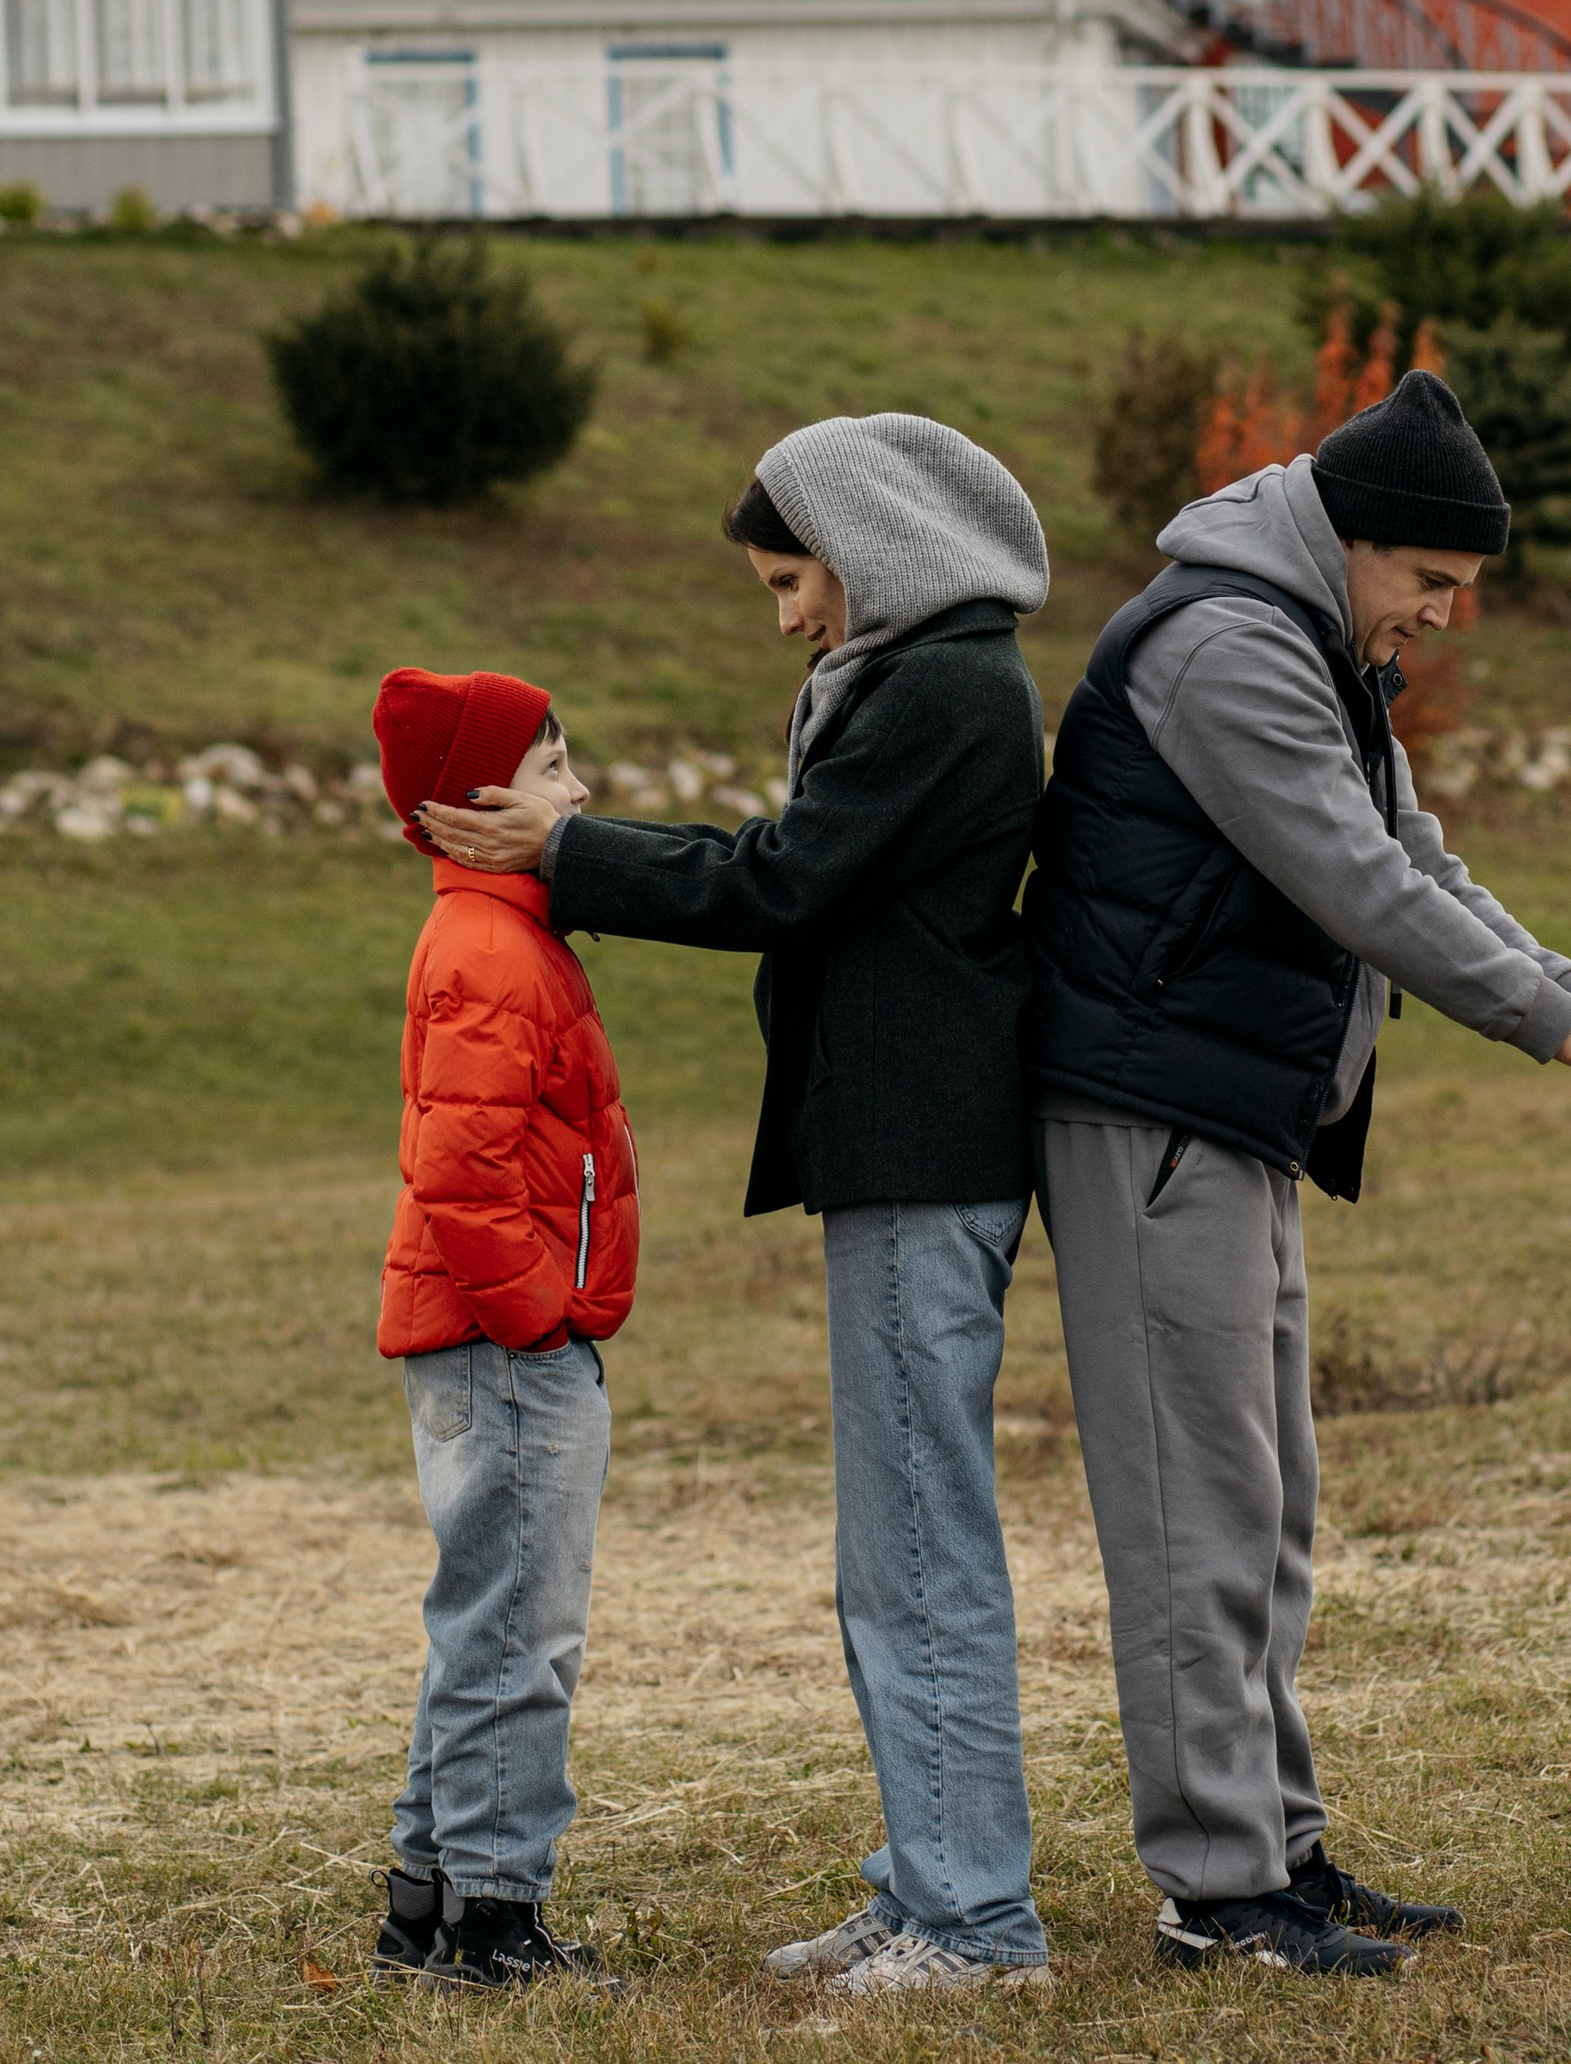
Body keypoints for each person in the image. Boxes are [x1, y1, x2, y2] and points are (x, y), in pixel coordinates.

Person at [1027, 368, 1571, 1981]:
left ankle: (1278, 1846)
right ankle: (1217, 1895)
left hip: (1233, 1116)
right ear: (1357, 541)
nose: (1442, 621)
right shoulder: (1225, 647)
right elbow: (1354, 884)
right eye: (1434, 586)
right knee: (1194, 1511)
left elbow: (1423, 860)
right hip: (1147, 1117)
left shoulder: (1317, 643)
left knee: (1268, 1508)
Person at [425, 412, 1054, 2000]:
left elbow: (782, 880)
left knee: (917, 1546)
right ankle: (923, 1884)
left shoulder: (947, 688)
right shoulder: (912, 678)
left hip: (923, 1152)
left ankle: (974, 1924)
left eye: (793, 579)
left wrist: (572, 853)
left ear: (873, 550)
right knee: (892, 1543)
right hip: (896, 1151)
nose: (786, 614)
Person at [370, 667, 639, 1995]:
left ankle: (425, 1904)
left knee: (484, 1620)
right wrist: (540, 1325)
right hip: (504, 1349)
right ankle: (492, 1922)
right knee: (518, 1632)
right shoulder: (485, 949)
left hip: (495, 1343)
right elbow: (462, 1177)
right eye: (550, 769)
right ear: (476, 806)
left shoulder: (503, 937)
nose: (577, 790)